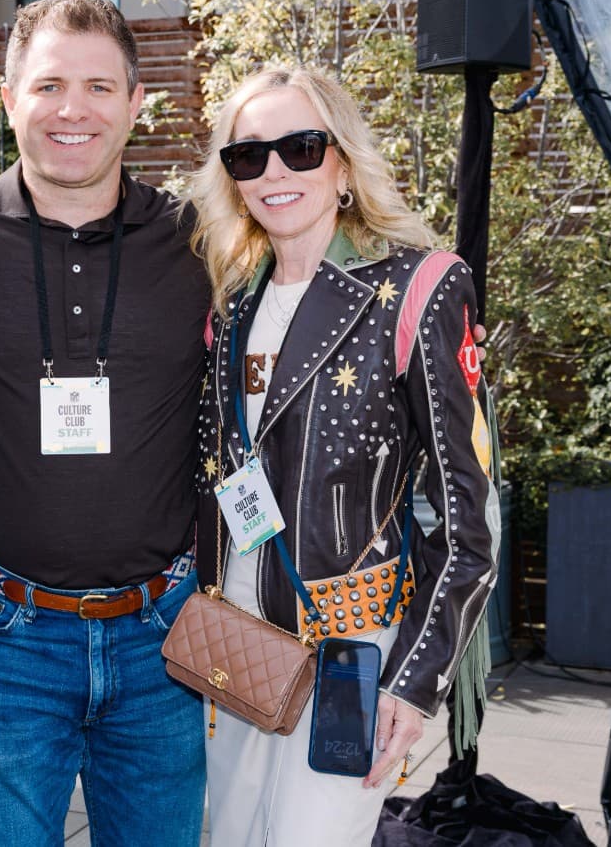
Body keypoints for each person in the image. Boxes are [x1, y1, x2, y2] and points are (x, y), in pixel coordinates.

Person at [0, 0, 211, 846]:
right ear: (8, 100)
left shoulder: (200, 241)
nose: (72, 110)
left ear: (136, 102)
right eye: (48, 86)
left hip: (163, 641)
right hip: (2, 641)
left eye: (98, 87)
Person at [186, 66, 498, 845]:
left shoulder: (418, 288)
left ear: (344, 162)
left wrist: (416, 680)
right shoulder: (231, 305)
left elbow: (470, 519)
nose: (275, 172)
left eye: (300, 147)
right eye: (248, 155)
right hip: (235, 648)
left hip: (351, 652)